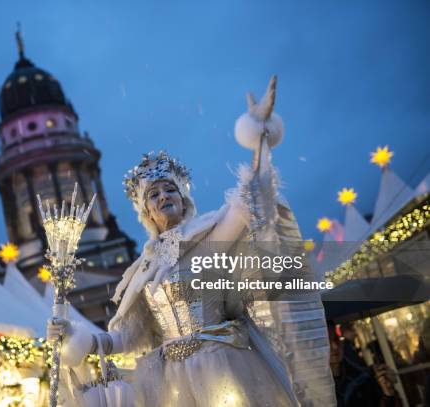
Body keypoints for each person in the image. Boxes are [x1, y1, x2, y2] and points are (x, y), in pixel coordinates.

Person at [47, 76, 336, 406]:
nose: (164, 196)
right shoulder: (144, 268)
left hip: (226, 366)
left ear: (184, 198)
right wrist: (78, 340)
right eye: (154, 195)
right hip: (173, 384)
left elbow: (250, 201)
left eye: (170, 189)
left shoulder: (208, 239)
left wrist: (258, 139)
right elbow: (128, 336)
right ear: (147, 212)